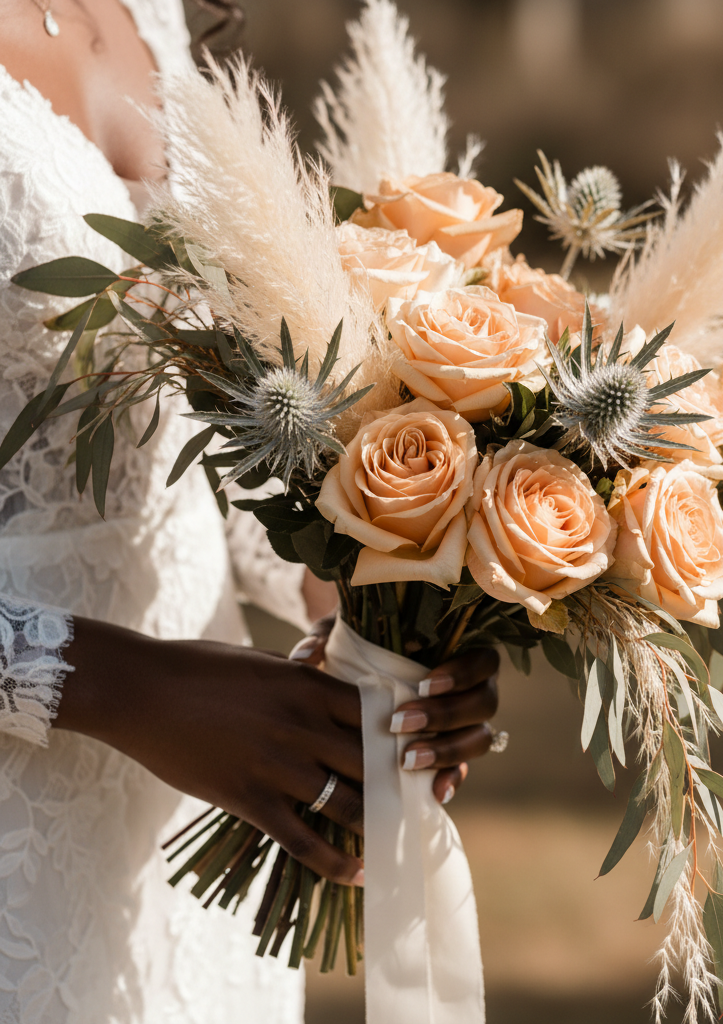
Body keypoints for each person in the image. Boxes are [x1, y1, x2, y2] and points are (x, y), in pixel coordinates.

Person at [0, 0, 499, 1020]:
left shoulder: (155, 13)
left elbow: (199, 445)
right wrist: (123, 688)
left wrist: (380, 626)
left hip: (209, 802)